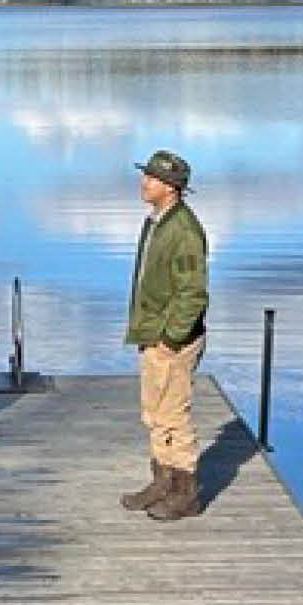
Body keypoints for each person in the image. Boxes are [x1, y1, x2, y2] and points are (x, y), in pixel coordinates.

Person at [121, 148, 209, 522]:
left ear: (171, 188)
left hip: (171, 341)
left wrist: (171, 338)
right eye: (146, 175)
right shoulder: (158, 221)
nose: (145, 182)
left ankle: (185, 493)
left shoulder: (184, 231)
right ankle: (162, 481)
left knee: (173, 414)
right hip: (152, 334)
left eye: (152, 178)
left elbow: (193, 293)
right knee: (154, 413)